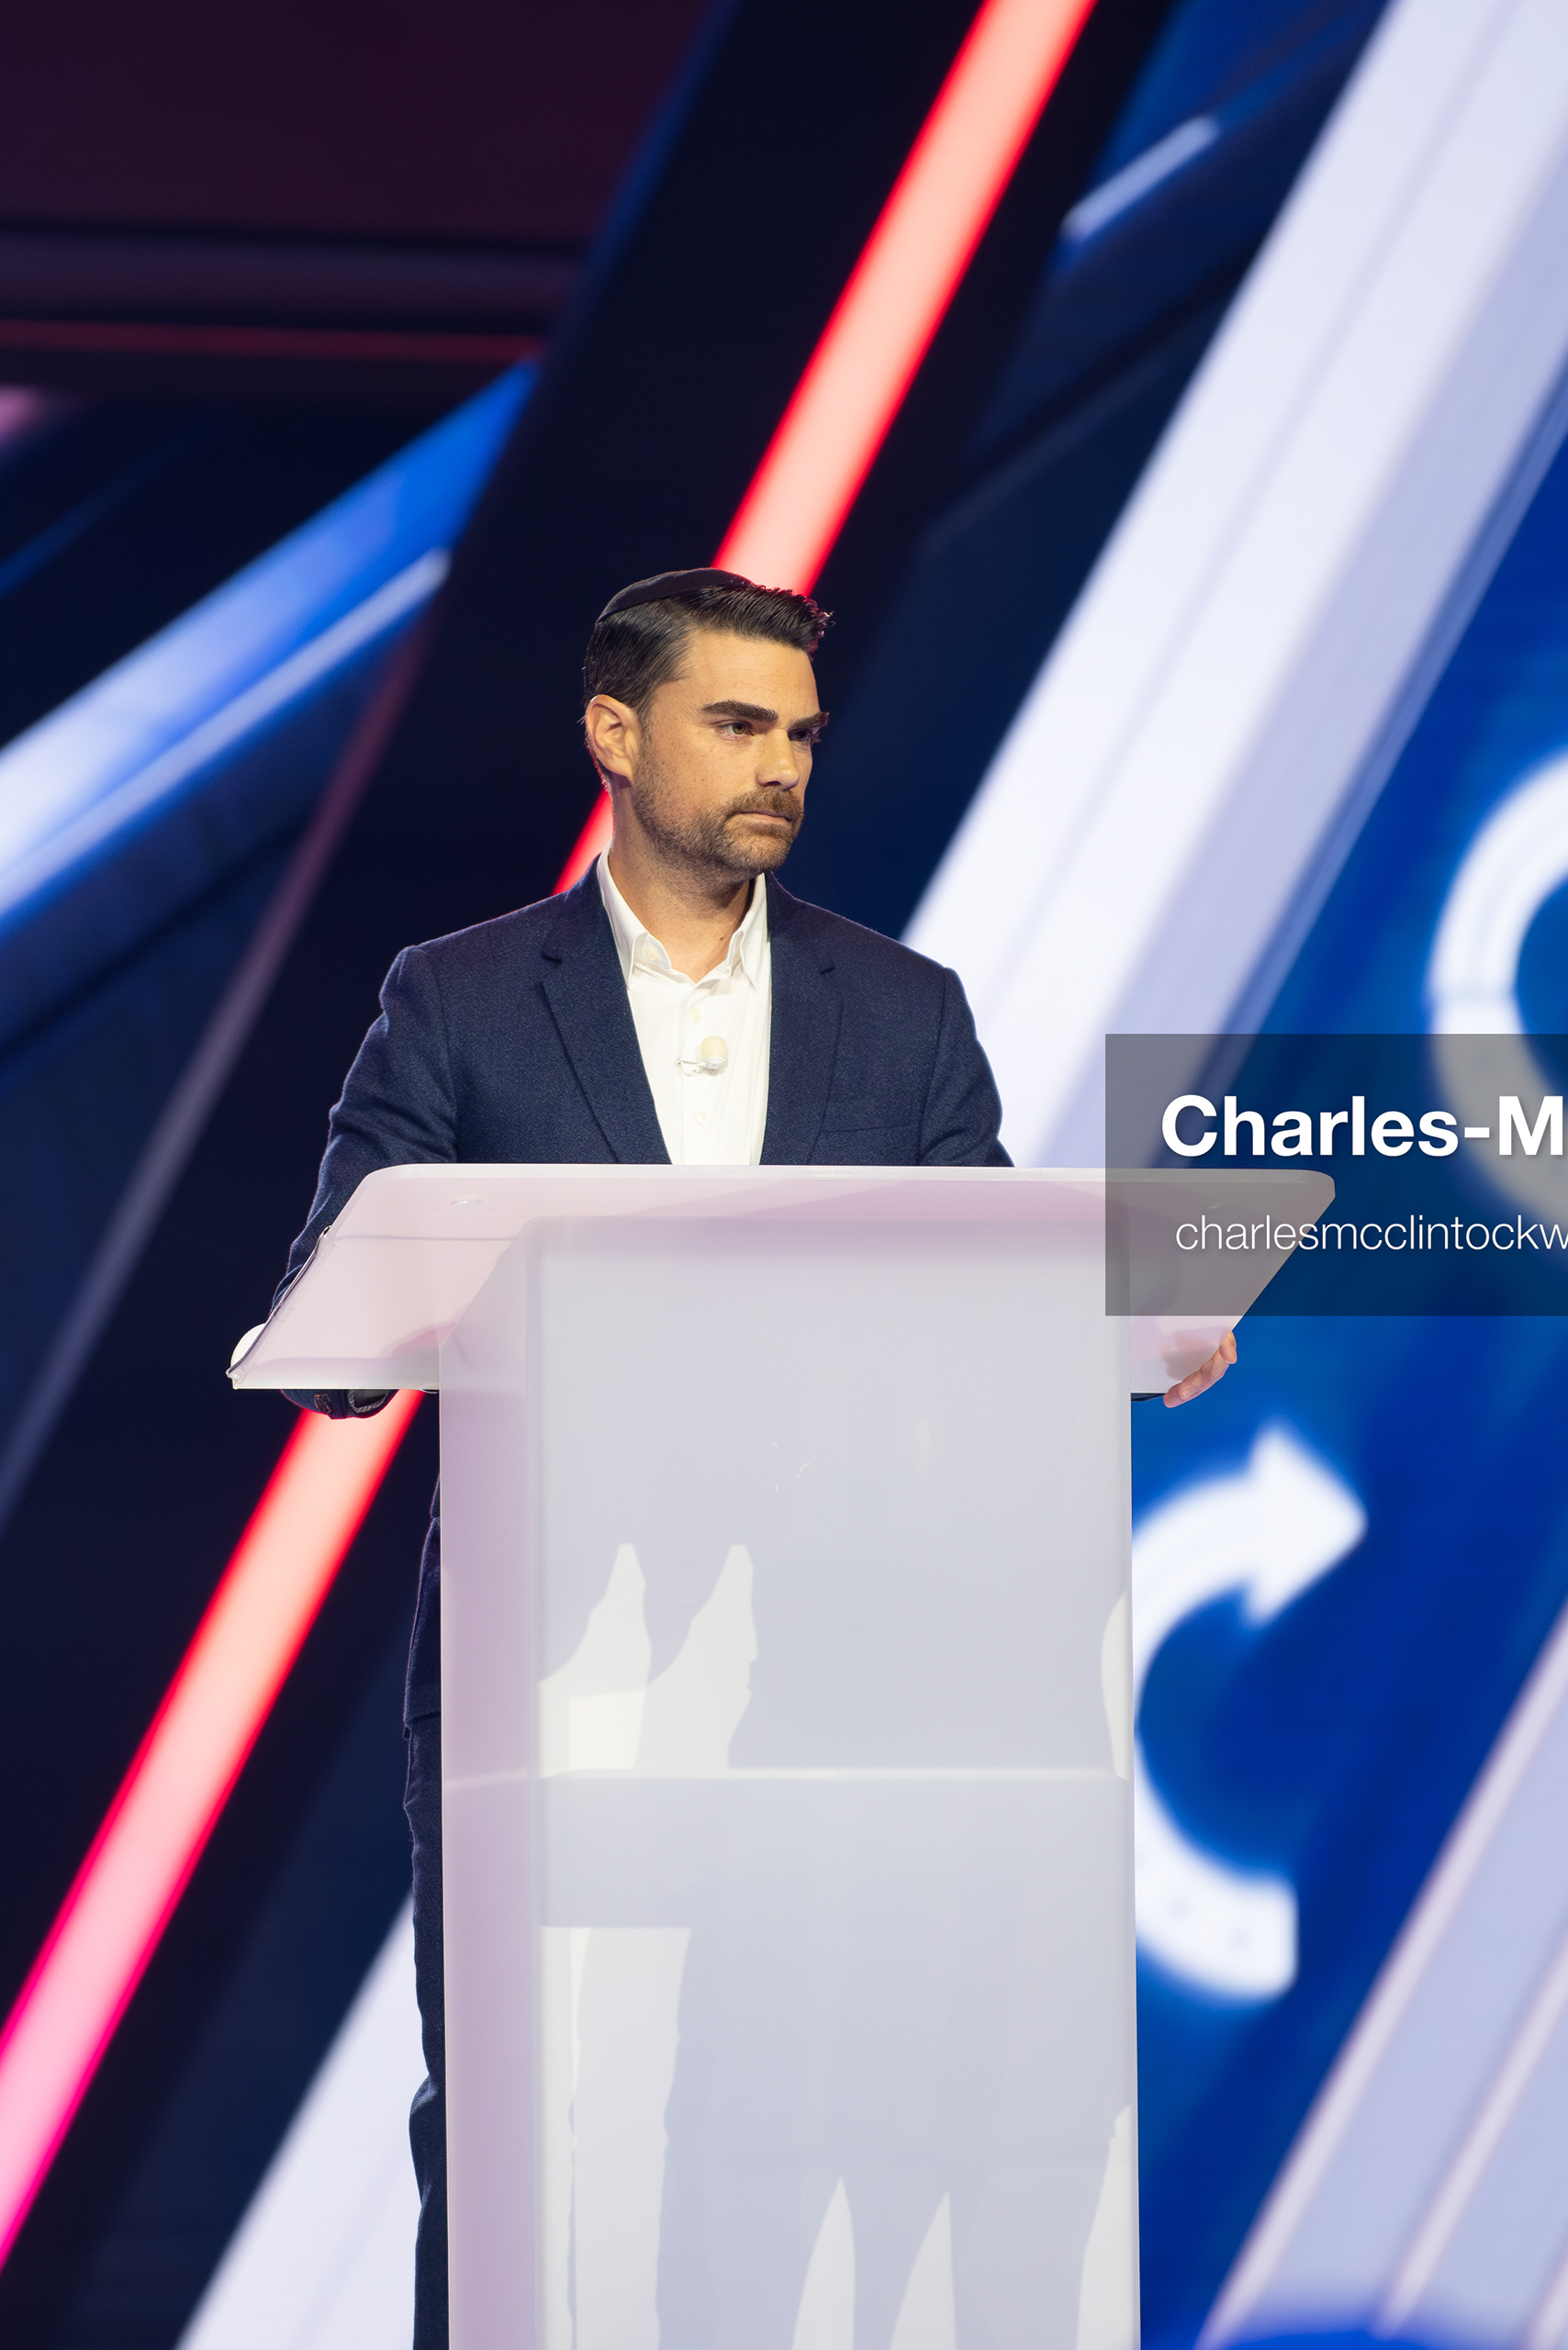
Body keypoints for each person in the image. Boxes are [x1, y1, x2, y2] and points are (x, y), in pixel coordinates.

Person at [270, 567, 1236, 2350]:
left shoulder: (905, 1010)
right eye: (738, 722)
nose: (782, 762)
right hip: (541, 1678)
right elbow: (336, 1306)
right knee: (504, 2141)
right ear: (615, 733)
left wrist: (1122, 1327)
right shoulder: (465, 999)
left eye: (798, 730)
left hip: (835, 1687)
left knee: (776, 2145)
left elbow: (987, 1285)